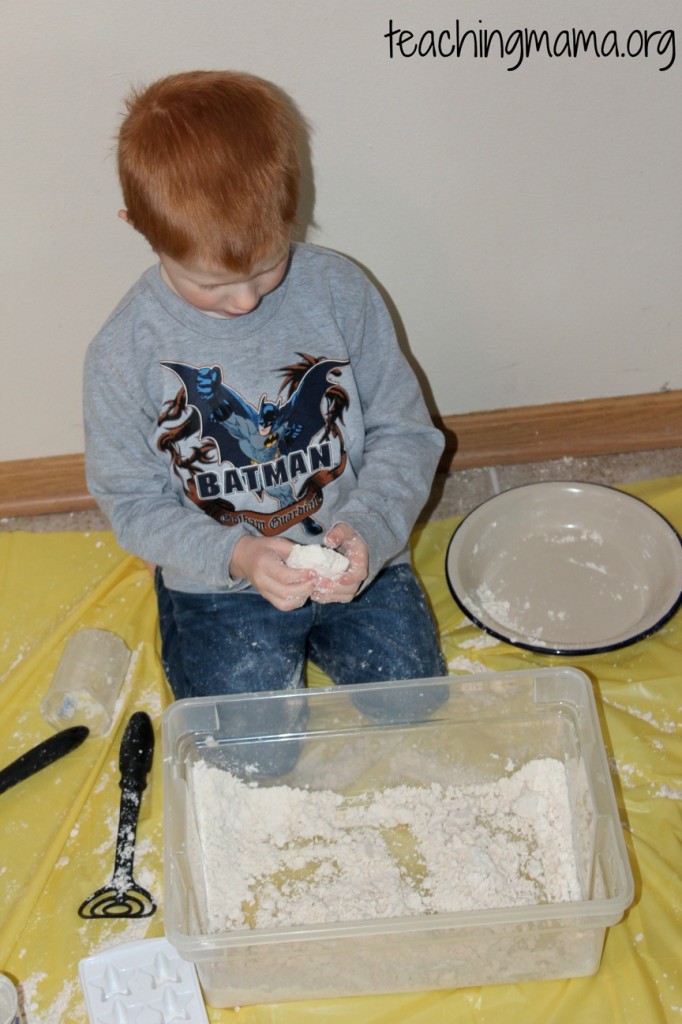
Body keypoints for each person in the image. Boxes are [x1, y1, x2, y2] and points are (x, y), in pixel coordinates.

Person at [83, 70, 446, 705]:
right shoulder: (122, 352)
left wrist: (372, 528)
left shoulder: (341, 293)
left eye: (270, 264)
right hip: (220, 580)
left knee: (414, 702)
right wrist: (237, 556)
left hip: (355, 555)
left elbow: (406, 434)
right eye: (212, 285)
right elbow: (133, 505)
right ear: (139, 226)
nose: (246, 300)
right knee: (247, 755)